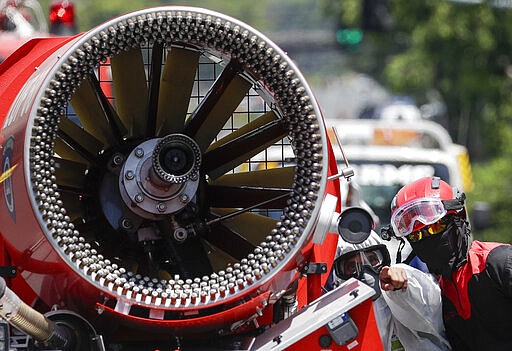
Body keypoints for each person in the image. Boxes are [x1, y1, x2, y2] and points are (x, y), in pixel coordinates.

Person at [386, 176, 512, 351]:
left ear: (458, 218)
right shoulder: (436, 296)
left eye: (434, 228)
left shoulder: (498, 262)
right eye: (416, 236)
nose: (427, 238)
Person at [329, 230, 451, 351]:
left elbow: (429, 304)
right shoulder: (335, 322)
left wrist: (404, 282)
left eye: (372, 260)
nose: (365, 272)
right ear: (339, 276)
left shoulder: (399, 295)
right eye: (351, 267)